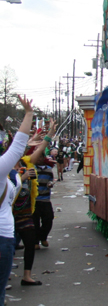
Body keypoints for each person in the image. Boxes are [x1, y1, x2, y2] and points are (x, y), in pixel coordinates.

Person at [0, 97, 38, 303]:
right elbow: (17, 147)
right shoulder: (2, 169)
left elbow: (17, 148)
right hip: (3, 236)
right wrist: (29, 113)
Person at [12, 116, 55, 287]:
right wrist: (21, 177)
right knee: (6, 248)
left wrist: (50, 133)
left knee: (30, 243)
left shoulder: (27, 162)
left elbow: (41, 147)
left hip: (25, 213)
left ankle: (26, 276)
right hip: (8, 215)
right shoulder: (5, 168)